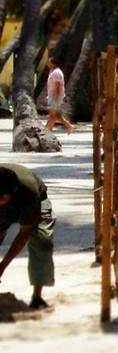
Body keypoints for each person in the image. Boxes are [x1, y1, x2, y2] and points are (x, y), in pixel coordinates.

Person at [0, 163, 55, 310]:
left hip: (37, 201)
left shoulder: (28, 193)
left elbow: (24, 235)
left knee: (42, 242)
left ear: (13, 193)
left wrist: (2, 267)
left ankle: (37, 297)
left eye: (1, 199)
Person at [42, 64, 74, 135]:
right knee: (56, 115)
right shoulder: (53, 71)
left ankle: (47, 132)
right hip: (52, 96)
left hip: (54, 96)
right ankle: (69, 126)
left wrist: (57, 97)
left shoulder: (56, 72)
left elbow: (58, 86)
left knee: (52, 115)